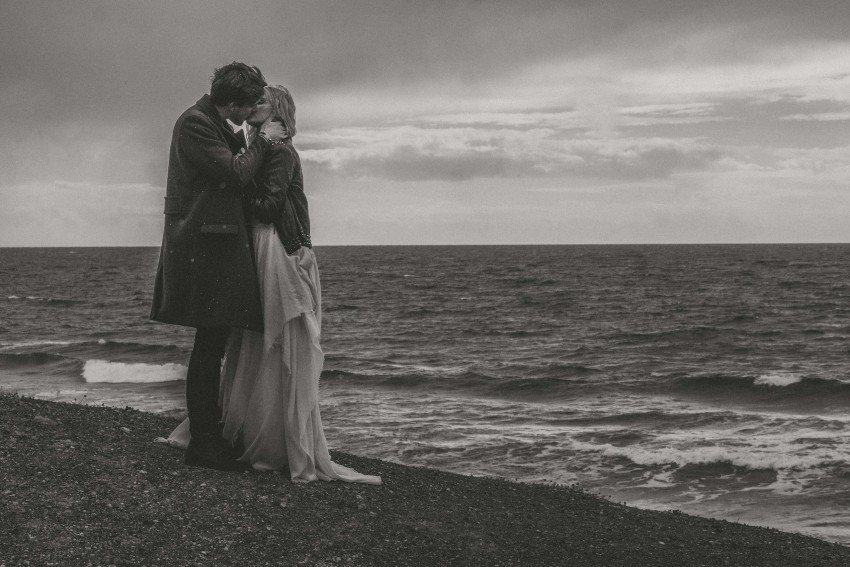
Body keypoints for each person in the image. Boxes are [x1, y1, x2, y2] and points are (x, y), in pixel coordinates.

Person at [165, 85, 381, 485]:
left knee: (275, 341)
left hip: (277, 247)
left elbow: (268, 207)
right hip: (262, 246)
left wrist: (234, 188)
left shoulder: (278, 152)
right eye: (252, 101)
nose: (253, 106)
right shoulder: (260, 147)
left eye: (261, 102)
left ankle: (271, 440)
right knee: (257, 343)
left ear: (276, 109)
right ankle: (256, 433)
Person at [150, 63, 286, 471]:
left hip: (214, 247)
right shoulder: (196, 123)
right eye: (249, 105)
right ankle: (204, 444)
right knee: (209, 347)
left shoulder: (210, 121)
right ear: (233, 102)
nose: (251, 113)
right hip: (206, 248)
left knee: (212, 345)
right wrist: (265, 140)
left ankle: (208, 438)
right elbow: (235, 173)